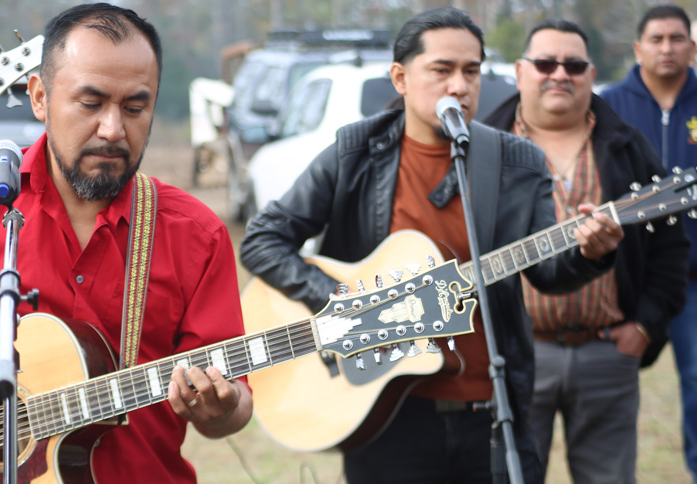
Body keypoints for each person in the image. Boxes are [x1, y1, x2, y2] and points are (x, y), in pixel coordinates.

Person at [0, 3, 252, 483]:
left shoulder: (196, 234)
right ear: (39, 97)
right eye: (91, 104)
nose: (114, 129)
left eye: (135, 107)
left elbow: (234, 404)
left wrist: (219, 409)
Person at [240, 7, 623, 484]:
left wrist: (592, 251)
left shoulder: (517, 163)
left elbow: (547, 274)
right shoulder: (355, 151)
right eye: (441, 70)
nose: (459, 87)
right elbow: (262, 241)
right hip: (386, 410)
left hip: (490, 411)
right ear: (400, 77)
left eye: (471, 71)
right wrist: (348, 304)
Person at [484, 19, 689, 483]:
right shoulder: (483, 149)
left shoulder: (626, 145)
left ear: (591, 74)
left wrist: (645, 325)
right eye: (545, 63)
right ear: (519, 72)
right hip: (514, 357)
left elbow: (671, 247)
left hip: (604, 355)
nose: (560, 73)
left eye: (574, 64)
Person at [599, 5, 697, 479]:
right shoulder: (609, 105)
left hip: (694, 279)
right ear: (638, 48)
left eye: (677, 38)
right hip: (627, 278)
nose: (667, 48)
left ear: (691, 46)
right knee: (607, 390)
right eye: (656, 39)